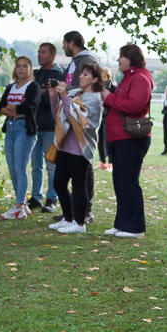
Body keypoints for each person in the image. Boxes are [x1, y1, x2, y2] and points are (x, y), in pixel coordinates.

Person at [101, 44, 154, 238]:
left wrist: (110, 98)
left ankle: (135, 228)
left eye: (121, 56)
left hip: (131, 138)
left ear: (131, 58)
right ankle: (122, 223)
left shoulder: (140, 78)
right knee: (120, 182)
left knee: (128, 182)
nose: (118, 60)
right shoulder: (128, 78)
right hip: (119, 137)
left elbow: (135, 105)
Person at [48, 64, 105, 234]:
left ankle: (79, 223)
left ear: (95, 79)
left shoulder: (94, 99)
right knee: (59, 184)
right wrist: (54, 98)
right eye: (81, 73)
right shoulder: (75, 94)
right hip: (65, 146)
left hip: (81, 148)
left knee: (79, 186)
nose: (80, 77)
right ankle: (68, 218)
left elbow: (77, 121)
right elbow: (60, 117)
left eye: (85, 74)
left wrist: (64, 96)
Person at [0, 56, 40, 220]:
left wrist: (11, 109)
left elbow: (28, 108)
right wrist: (15, 110)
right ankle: (21, 204)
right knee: (12, 169)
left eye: (25, 66)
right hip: (10, 128)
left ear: (30, 69)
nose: (21, 69)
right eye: (19, 66)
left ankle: (18, 206)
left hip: (24, 129)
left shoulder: (33, 86)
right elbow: (0, 107)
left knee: (20, 168)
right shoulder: (11, 87)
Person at [28, 42, 65, 214]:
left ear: (52, 55)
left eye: (43, 52)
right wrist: (40, 94)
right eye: (39, 52)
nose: (39, 55)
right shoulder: (35, 74)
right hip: (34, 126)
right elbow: (29, 98)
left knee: (52, 165)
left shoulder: (59, 74)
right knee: (36, 165)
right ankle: (35, 197)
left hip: (51, 126)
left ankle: (52, 199)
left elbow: (52, 100)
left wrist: (42, 95)